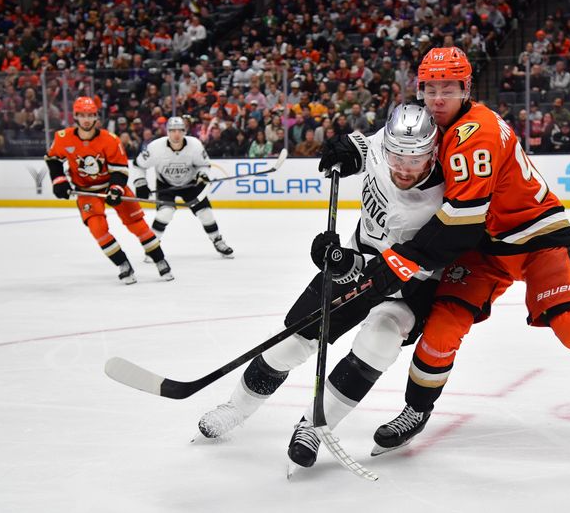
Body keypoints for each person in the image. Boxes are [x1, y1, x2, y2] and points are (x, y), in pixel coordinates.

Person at [323, 47, 570, 456]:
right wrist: (355, 146)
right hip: (484, 245)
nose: (437, 98)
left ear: (466, 88)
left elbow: (459, 221)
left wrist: (401, 261)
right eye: (430, 89)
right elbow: (388, 142)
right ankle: (416, 410)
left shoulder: (476, 134)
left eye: (448, 88)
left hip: (534, 236)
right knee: (442, 327)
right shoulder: (431, 126)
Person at [196, 104, 445, 470]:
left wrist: (345, 262)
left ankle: (314, 426)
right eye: (396, 157)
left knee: (378, 343)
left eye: (416, 160)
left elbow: (409, 264)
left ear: (433, 153)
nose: (404, 168)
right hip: (362, 256)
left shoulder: (438, 200)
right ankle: (235, 408)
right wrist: (345, 149)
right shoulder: (384, 143)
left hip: (410, 284)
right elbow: (364, 146)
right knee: (291, 342)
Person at [45, 96, 174, 284]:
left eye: (90, 115)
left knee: (137, 225)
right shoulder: (63, 138)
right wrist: (59, 181)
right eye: (82, 115)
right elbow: (53, 159)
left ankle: (159, 259)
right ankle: (123, 264)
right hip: (86, 191)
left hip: (111, 186)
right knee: (98, 229)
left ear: (96, 116)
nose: (86, 120)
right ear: (76, 116)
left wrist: (116, 189)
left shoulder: (110, 139)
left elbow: (120, 169)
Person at [133, 117, 234, 258]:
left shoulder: (195, 145)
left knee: (206, 213)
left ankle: (218, 241)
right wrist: (140, 183)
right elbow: (138, 166)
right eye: (172, 131)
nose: (176, 134)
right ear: (167, 132)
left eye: (180, 130)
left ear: (185, 131)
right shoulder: (155, 147)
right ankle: (152, 248)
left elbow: (203, 165)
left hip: (190, 184)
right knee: (165, 213)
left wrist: (202, 175)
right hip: (165, 185)